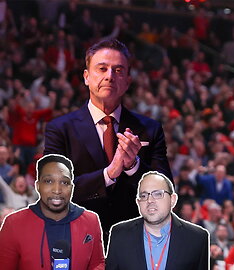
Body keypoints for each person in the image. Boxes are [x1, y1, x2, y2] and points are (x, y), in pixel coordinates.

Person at [44, 38, 172, 234]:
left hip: (135, 242)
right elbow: (54, 191)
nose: (110, 76)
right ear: (86, 77)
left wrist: (133, 166)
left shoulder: (150, 129)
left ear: (128, 81)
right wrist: (109, 174)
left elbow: (165, 192)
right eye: (102, 69)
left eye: (118, 70)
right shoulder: (60, 128)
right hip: (76, 238)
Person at [0, 154, 104, 270]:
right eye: (49, 181)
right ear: (38, 186)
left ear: (72, 187)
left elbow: (97, 263)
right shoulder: (14, 223)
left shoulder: (91, 220)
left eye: (64, 182)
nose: (57, 190)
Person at [106, 171, 209, 270]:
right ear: (138, 202)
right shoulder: (119, 234)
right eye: (143, 196)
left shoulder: (197, 238)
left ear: (172, 200)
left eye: (158, 194)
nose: (150, 200)